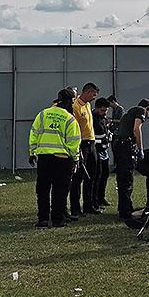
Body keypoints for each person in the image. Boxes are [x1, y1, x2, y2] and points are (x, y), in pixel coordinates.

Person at [29, 88, 81, 228]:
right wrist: (75, 159)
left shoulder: (43, 114)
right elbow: (74, 142)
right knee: (60, 191)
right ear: (70, 101)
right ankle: (58, 220)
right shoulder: (70, 119)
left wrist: (32, 152)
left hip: (44, 158)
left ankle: (43, 220)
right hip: (63, 160)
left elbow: (34, 133)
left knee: (43, 190)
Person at [112, 98, 149, 224]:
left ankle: (123, 208)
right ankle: (126, 211)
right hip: (126, 147)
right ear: (148, 108)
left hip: (118, 145)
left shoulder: (128, 113)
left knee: (122, 178)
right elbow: (136, 129)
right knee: (127, 179)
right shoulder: (140, 111)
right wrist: (140, 148)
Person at [70, 82, 100, 219]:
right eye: (93, 94)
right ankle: (75, 208)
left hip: (91, 142)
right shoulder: (75, 106)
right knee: (78, 177)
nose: (94, 98)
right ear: (87, 92)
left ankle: (89, 205)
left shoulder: (88, 105)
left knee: (92, 174)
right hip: (81, 143)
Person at [92, 97, 112, 208]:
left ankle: (101, 197)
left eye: (106, 111)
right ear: (97, 108)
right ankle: (94, 200)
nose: (104, 113)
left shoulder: (102, 118)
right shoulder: (93, 118)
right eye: (103, 110)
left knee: (105, 174)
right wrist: (103, 139)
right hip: (96, 150)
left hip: (103, 150)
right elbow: (93, 136)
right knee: (97, 176)